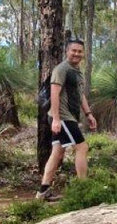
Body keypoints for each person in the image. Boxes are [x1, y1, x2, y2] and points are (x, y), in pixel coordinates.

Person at [36, 39, 97, 200]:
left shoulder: (77, 71)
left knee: (57, 152)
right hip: (62, 117)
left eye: (79, 51)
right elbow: (54, 93)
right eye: (73, 50)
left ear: (83, 53)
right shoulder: (61, 69)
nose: (77, 54)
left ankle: (43, 191)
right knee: (82, 147)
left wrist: (88, 114)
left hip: (68, 117)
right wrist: (56, 119)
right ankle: (83, 189)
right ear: (67, 51)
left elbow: (80, 94)